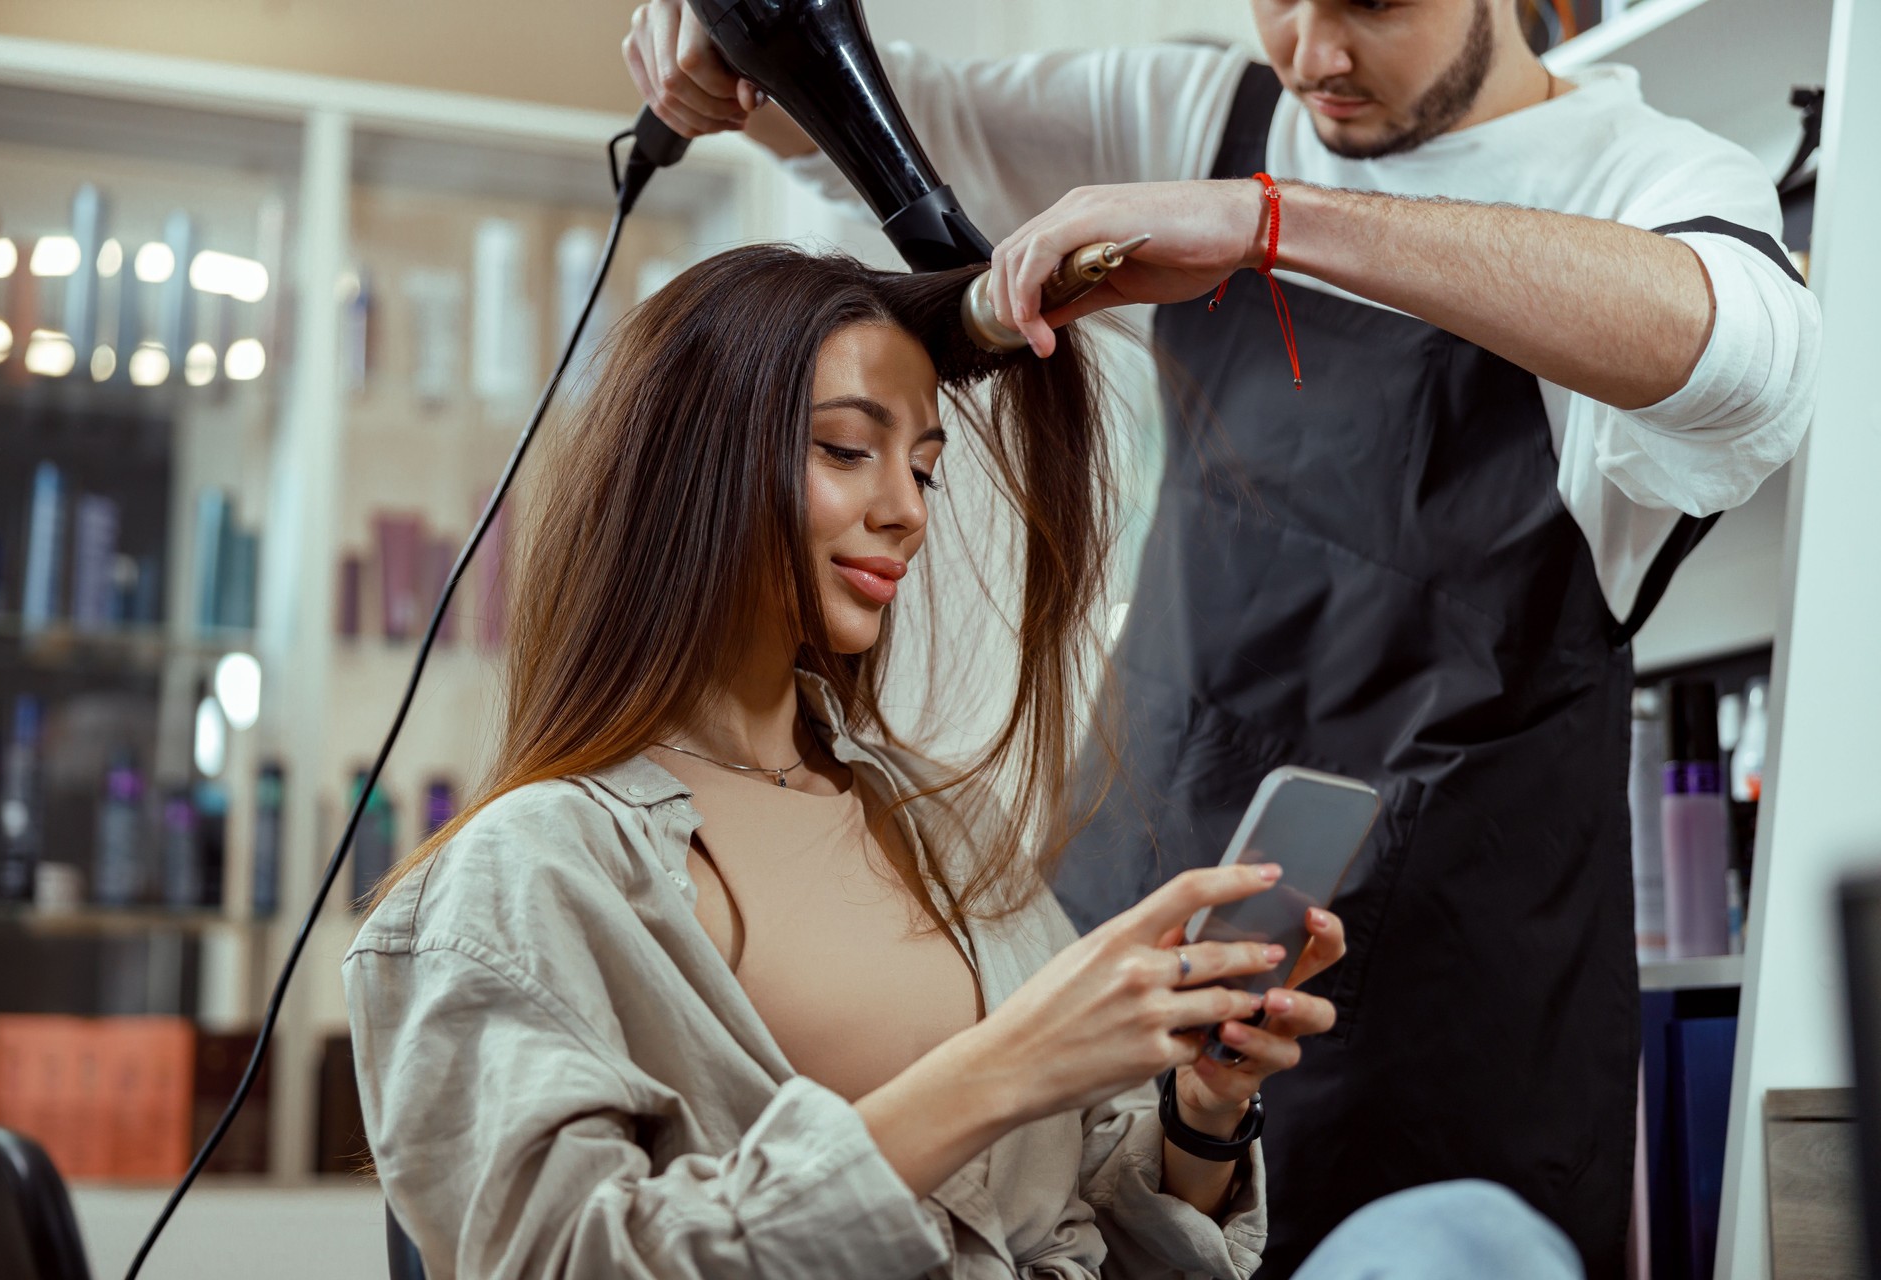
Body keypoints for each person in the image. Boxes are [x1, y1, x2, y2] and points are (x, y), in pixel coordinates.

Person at [622, 3, 1823, 1277]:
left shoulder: (1649, 180)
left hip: (1447, 1028)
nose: (1310, 55)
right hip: (1128, 929)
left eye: (1366, 2)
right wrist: (732, 49)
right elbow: (866, 118)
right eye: (1279, 1)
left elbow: (1754, 360)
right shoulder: (1217, 112)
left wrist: (1269, 222)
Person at [343, 245, 1584, 1280]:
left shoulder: (942, 830)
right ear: (688, 465)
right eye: (846, 450)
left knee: (1471, 1235)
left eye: (924, 468)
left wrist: (1198, 1114)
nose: (906, 509)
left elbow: (1111, 1221)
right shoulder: (527, 874)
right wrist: (999, 1070)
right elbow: (567, 1257)